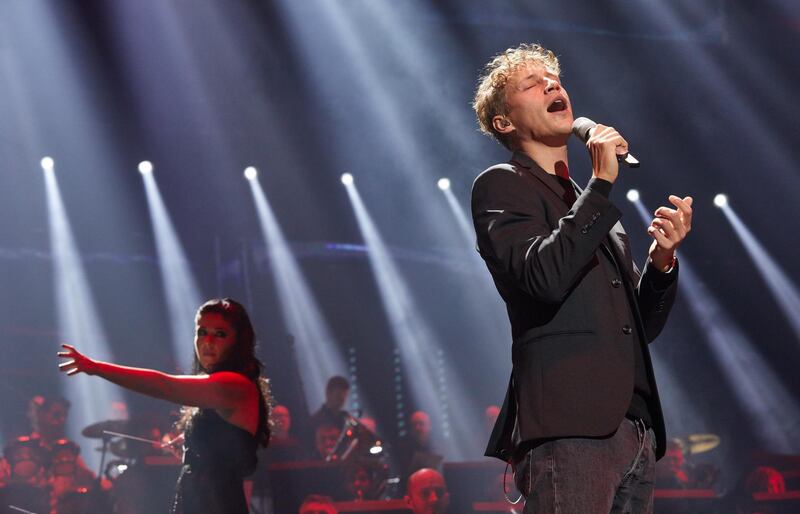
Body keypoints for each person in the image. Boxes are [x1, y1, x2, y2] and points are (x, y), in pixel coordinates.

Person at [471, 43, 692, 513]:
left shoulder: (589, 204)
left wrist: (661, 263)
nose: (552, 84)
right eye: (532, 83)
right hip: (570, 428)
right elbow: (543, 277)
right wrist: (600, 186)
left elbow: (639, 326)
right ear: (504, 122)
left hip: (634, 431)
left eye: (554, 78)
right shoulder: (502, 184)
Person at [58, 298, 271, 514]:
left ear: (238, 341)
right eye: (201, 332)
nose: (207, 341)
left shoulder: (235, 384)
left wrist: (96, 367)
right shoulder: (217, 388)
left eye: (220, 334)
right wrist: (193, 446)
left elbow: (164, 386)